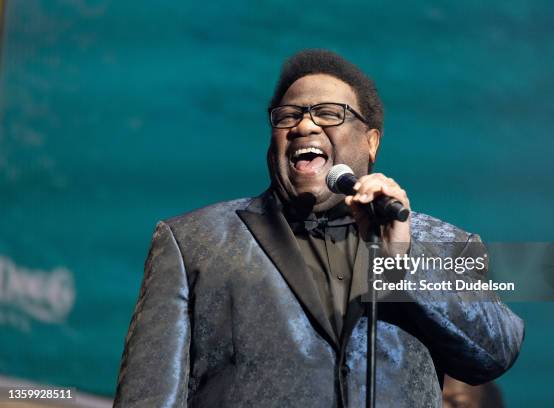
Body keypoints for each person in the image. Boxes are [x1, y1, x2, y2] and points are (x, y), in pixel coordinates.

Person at [113, 49, 524, 407]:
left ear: (371, 142)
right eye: (288, 116)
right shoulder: (193, 243)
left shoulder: (445, 244)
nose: (304, 126)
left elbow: (494, 352)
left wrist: (402, 262)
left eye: (329, 114)